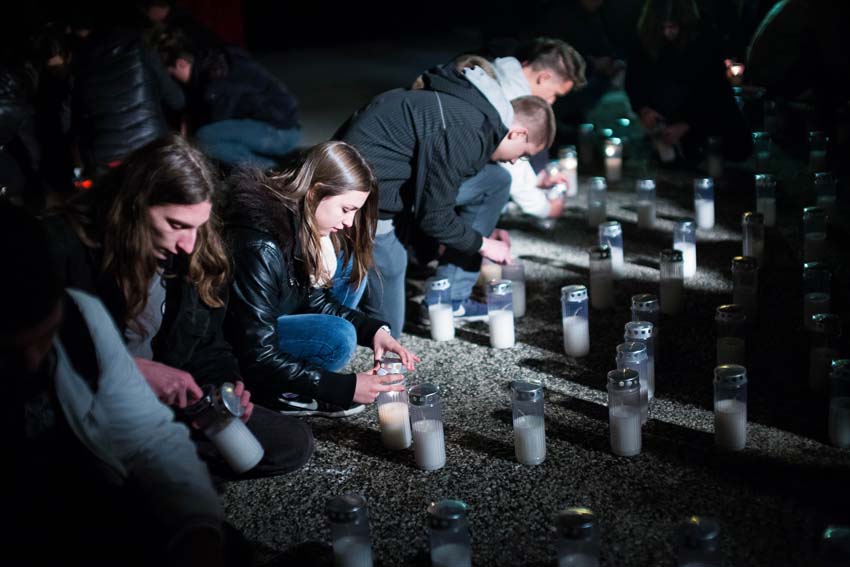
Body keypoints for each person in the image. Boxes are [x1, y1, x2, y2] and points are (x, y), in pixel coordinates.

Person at [43, 134, 313, 479]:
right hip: (89, 402)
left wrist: (227, 388)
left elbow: (208, 346)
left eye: (198, 228)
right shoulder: (64, 246)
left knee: (291, 442)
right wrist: (132, 370)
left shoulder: (195, 255)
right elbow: (41, 353)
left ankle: (150, 466)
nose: (188, 244)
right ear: (132, 206)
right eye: (176, 226)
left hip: (170, 409)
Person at [1, 200, 230, 566]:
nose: (33, 363)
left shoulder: (81, 316)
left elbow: (149, 435)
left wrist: (197, 526)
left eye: (46, 340)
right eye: (9, 354)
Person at [338, 63, 556, 334]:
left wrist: (471, 232)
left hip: (397, 183)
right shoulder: (468, 132)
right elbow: (434, 218)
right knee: (391, 294)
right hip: (363, 197)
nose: (514, 160)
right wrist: (482, 244)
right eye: (522, 154)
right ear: (518, 133)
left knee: (496, 180)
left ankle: (451, 298)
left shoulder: (478, 115)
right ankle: (366, 335)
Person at [223, 141, 418, 417]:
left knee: (350, 264)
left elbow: (316, 301)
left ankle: (301, 382)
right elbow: (256, 350)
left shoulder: (301, 225)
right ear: (315, 193)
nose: (350, 222)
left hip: (274, 319)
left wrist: (374, 331)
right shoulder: (260, 245)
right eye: (346, 209)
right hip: (243, 351)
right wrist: (341, 387)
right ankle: (275, 391)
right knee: (337, 336)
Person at [625, 0, 752, 164]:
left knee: (734, 147)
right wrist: (643, 109)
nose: (668, 33)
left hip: (702, 110)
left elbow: (715, 91)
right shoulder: (645, 38)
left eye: (673, 26)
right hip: (664, 112)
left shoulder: (703, 37)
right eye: (663, 27)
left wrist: (688, 124)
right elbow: (634, 79)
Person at [156, 30, 299, 169]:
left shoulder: (216, 82)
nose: (172, 79)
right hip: (281, 124)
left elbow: (215, 124)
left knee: (205, 138)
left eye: (172, 73)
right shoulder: (211, 60)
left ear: (181, 63)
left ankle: (268, 169)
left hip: (282, 134)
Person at [71, 19, 185, 178]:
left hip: (107, 157)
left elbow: (78, 118)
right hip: (152, 148)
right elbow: (176, 100)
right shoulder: (141, 48)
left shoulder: (81, 61)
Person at [490, 37, 587, 219]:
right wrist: (546, 209)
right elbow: (512, 168)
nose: (551, 102)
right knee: (498, 179)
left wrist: (539, 179)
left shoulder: (502, 70)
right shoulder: (510, 98)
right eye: (555, 94)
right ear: (544, 77)